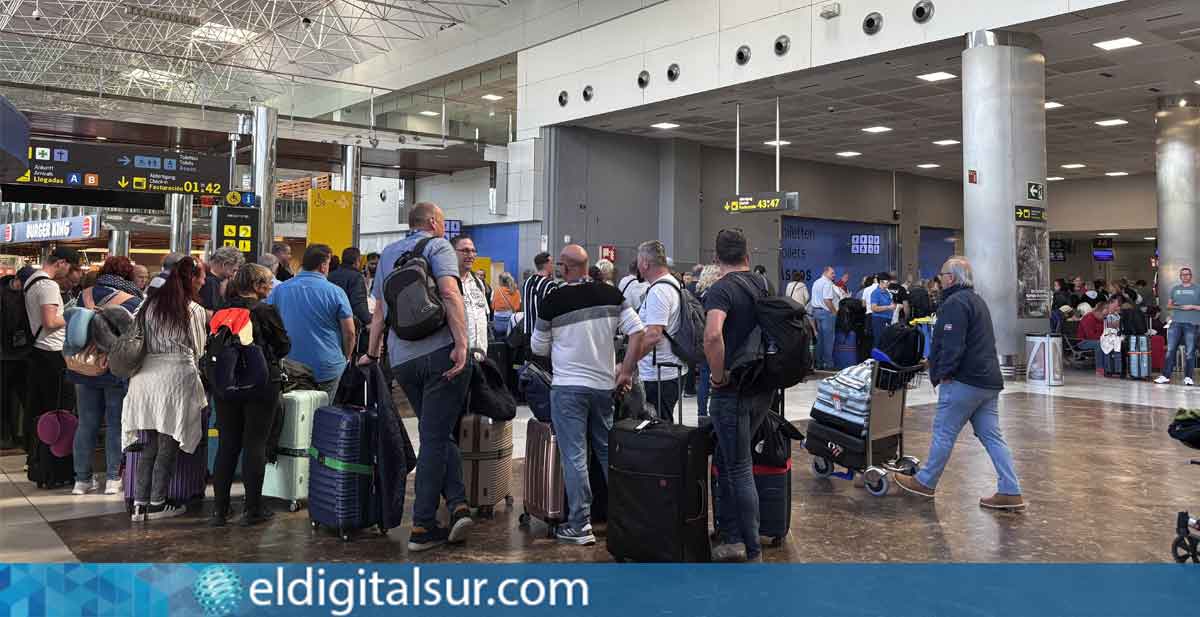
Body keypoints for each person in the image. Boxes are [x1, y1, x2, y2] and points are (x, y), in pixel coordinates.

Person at [362, 202, 473, 553]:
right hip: (439, 352)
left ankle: (457, 504)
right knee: (435, 439)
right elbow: (450, 295)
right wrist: (462, 343)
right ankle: (423, 526)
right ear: (432, 222)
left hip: (402, 358)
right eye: (441, 222)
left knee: (435, 430)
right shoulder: (439, 247)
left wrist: (373, 353)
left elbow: (379, 312)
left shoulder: (389, 254)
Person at [531, 244, 644, 545]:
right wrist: (626, 371)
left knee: (575, 456)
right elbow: (638, 332)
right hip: (604, 388)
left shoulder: (553, 299)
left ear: (566, 268)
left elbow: (538, 347)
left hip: (568, 388)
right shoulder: (611, 295)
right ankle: (626, 517)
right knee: (608, 452)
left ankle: (580, 524)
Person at [894, 256, 1024, 510]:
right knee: (992, 436)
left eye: (941, 275)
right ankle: (1010, 489)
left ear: (951, 278)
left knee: (944, 432)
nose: (939, 280)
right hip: (988, 381)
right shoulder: (977, 301)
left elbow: (953, 345)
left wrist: (943, 373)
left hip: (964, 381)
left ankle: (925, 482)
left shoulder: (955, 303)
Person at [121, 256, 208, 521]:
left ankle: (139, 504)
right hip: (175, 378)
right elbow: (198, 348)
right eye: (201, 276)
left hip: (144, 380)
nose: (204, 281)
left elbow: (135, 339)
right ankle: (158, 503)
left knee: (151, 444)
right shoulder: (192, 309)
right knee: (168, 444)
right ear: (192, 279)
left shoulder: (148, 305)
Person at [703, 229, 771, 563]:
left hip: (733, 390)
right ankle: (731, 535)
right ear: (748, 254)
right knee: (730, 462)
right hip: (761, 387)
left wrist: (718, 378)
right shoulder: (761, 285)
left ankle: (751, 548)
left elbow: (713, 336)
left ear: (716, 258)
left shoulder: (721, 289)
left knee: (739, 467)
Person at [209, 264, 291, 527]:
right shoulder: (264, 310)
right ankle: (253, 508)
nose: (270, 287)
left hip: (226, 383)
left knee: (228, 443)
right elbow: (283, 345)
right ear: (256, 285)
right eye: (267, 283)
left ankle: (219, 511)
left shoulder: (222, 310)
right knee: (255, 442)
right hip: (261, 383)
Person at [69, 256, 143, 496]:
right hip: (114, 368)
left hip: (83, 366)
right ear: (127, 275)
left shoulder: (85, 294)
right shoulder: (132, 300)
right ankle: (113, 478)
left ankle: (81, 480)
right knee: (115, 424)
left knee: (86, 424)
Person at [267, 245, 356, 400]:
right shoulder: (335, 292)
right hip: (328, 366)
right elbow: (349, 332)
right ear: (323, 266)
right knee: (325, 416)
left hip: (290, 366)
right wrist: (346, 357)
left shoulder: (280, 290)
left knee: (294, 415)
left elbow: (269, 323)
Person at [23, 247, 81, 456]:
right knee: (58, 410)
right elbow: (49, 322)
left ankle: (37, 457)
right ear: (61, 263)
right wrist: (74, 314)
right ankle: (54, 460)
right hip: (52, 353)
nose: (69, 272)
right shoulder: (48, 286)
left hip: (38, 350)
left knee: (39, 408)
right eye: (70, 267)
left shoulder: (32, 280)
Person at [624, 241, 687, 423]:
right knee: (661, 423)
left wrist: (629, 362)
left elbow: (653, 335)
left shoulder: (659, 291)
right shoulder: (672, 283)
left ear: (645, 263)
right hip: (668, 369)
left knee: (658, 428)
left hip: (660, 373)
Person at [1156, 267, 1200, 385]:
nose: (1185, 276)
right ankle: (1165, 376)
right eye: (1183, 275)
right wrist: (1180, 307)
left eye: (1187, 274)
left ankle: (1188, 377)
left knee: (1190, 351)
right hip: (1176, 322)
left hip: (1192, 323)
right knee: (1170, 350)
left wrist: (1192, 307)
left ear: (1191, 276)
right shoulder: (1175, 289)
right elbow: (1169, 306)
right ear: (1180, 277)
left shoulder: (1197, 289)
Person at [452, 236, 491, 354]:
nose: (471, 255)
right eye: (465, 251)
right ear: (451, 253)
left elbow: (484, 316)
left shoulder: (478, 283)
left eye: (473, 251)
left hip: (481, 356)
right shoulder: (446, 283)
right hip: (456, 357)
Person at [327, 247, 372, 346]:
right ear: (357, 261)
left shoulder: (330, 275)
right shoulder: (356, 277)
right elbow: (358, 303)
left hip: (330, 322)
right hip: (348, 323)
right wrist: (368, 321)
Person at [694, 264, 721, 417]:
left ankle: (701, 413)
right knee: (712, 378)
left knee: (704, 379)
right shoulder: (714, 295)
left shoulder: (701, 293)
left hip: (702, 341)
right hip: (711, 340)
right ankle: (708, 414)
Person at [521, 252, 559, 336]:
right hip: (542, 333)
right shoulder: (550, 285)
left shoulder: (527, 282)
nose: (553, 266)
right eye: (551, 263)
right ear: (546, 264)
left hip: (527, 330)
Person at [199, 247, 244, 313]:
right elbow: (214, 312)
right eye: (234, 270)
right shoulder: (210, 283)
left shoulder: (204, 278)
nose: (233, 275)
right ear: (224, 264)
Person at [809, 267, 838, 370]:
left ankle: (818, 363)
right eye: (832, 273)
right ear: (825, 272)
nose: (834, 275)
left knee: (820, 340)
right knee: (828, 340)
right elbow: (827, 300)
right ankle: (828, 364)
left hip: (816, 311)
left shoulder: (816, 282)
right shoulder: (828, 283)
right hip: (826, 313)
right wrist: (834, 312)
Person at [1075, 302, 1107, 376]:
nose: (1104, 317)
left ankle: (1110, 368)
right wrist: (1104, 338)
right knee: (1099, 344)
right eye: (1104, 315)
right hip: (1083, 342)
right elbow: (1090, 336)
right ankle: (1100, 369)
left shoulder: (1101, 319)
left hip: (1096, 340)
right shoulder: (1088, 318)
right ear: (1098, 312)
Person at [869, 272, 896, 348]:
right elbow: (874, 308)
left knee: (885, 341)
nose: (888, 284)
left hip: (887, 319)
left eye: (888, 282)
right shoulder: (876, 293)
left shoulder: (887, 292)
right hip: (879, 319)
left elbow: (890, 304)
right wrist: (888, 307)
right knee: (878, 341)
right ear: (881, 282)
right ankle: (876, 358)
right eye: (887, 282)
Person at [491, 272, 521, 338]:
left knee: (499, 339)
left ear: (500, 281)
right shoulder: (516, 291)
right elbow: (518, 307)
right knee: (511, 339)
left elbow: (493, 306)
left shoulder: (496, 291)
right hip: (511, 318)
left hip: (498, 318)